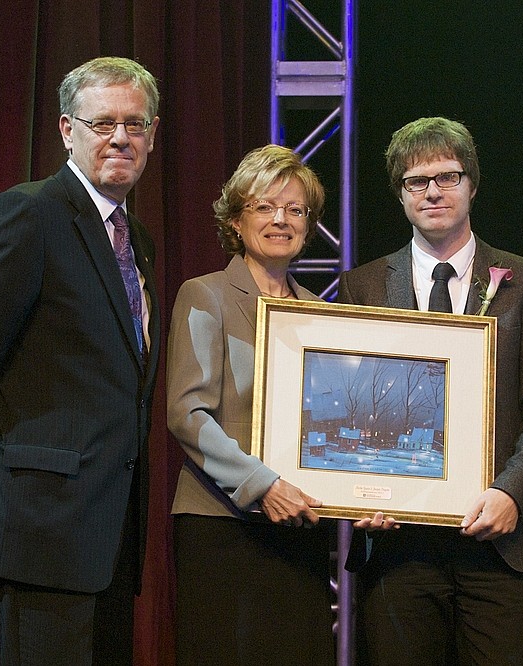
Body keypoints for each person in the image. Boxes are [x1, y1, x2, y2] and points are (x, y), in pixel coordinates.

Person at [0, 56, 161, 665]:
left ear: (152, 134)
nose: (120, 137)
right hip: (37, 530)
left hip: (108, 535)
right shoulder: (30, 214)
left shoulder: (135, 240)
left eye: (135, 123)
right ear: (67, 131)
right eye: (103, 123)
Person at [337, 116, 523, 665]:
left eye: (448, 176)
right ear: (400, 195)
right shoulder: (363, 286)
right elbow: (350, 405)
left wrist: (513, 492)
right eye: (416, 181)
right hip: (399, 546)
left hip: (501, 543)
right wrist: (359, 494)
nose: (433, 192)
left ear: (472, 184)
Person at [166, 144, 335, 664]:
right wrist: (264, 486)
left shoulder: (321, 313)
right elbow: (186, 414)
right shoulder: (205, 294)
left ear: (308, 226)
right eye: (265, 207)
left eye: (296, 209)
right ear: (237, 220)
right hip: (221, 527)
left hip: (298, 528)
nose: (281, 219)